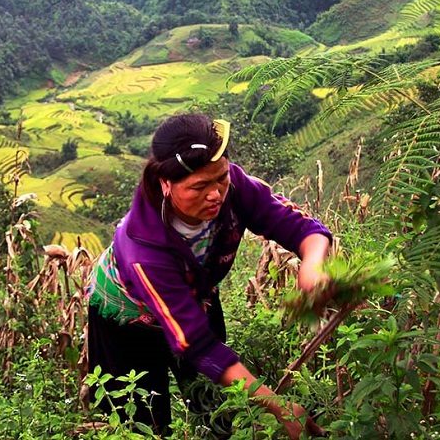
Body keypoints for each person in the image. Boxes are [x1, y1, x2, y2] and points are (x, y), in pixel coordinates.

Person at [87, 113, 332, 438]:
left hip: (195, 295)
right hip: (126, 318)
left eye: (221, 179)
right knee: (143, 421)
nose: (216, 194)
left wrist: (313, 264)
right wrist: (280, 407)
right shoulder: (144, 247)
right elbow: (198, 345)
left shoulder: (233, 186)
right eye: (199, 186)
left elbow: (304, 229)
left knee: (218, 409)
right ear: (165, 184)